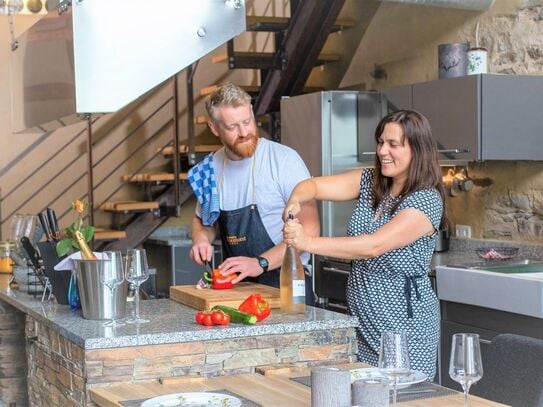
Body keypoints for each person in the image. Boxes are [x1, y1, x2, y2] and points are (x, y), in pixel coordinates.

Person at [282, 110, 446, 380]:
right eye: (380, 142)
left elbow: (373, 246)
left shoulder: (426, 200)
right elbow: (311, 185)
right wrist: (294, 202)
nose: (383, 151)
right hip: (364, 324)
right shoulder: (372, 181)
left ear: (417, 150)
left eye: (393, 144)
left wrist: (308, 242)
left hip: (404, 330)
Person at [189, 83, 320, 300]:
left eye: (246, 122)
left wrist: (260, 263)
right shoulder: (209, 170)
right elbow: (203, 222)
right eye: (232, 127)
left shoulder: (283, 160)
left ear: (251, 111)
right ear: (214, 128)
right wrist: (201, 240)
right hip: (237, 291)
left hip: (286, 287)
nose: (243, 133)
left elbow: (311, 228)